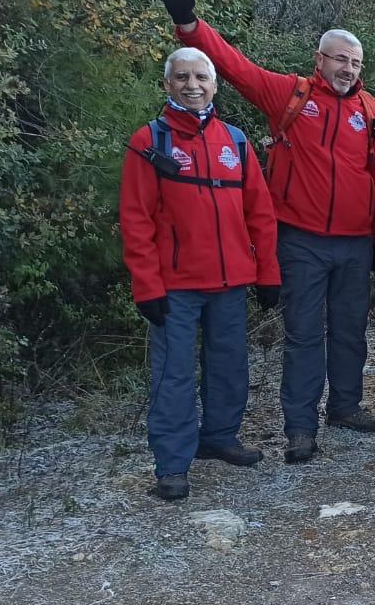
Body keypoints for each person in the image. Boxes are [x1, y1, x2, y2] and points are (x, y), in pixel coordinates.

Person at [157, 0, 375, 463]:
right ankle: (300, 426)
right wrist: (188, 24)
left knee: (352, 329)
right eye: (340, 59)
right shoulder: (290, 94)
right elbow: (232, 65)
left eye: (356, 62)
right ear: (320, 59)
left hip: (355, 241)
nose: (348, 69)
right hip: (301, 239)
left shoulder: (371, 110)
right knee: (304, 335)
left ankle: (347, 406)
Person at [119, 47, 279, 501]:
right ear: (167, 85)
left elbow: (260, 214)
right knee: (174, 375)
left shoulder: (236, 141)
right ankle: (172, 466)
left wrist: (267, 273)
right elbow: (136, 221)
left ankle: (220, 436)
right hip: (176, 287)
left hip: (230, 284)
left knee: (230, 368)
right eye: (183, 77)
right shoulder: (149, 143)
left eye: (201, 78)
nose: (193, 85)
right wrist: (146, 285)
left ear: (215, 85)